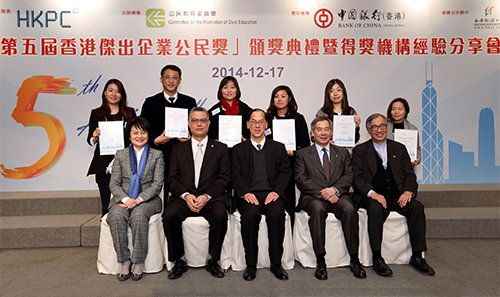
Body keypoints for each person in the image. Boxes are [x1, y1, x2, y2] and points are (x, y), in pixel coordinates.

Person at [352, 113, 435, 277]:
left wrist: (408, 191)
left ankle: (417, 256)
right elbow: (357, 178)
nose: (379, 130)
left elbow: (410, 175)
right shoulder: (360, 150)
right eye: (374, 127)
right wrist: (373, 193)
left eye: (382, 125)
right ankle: (377, 257)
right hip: (372, 196)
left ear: (387, 127)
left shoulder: (399, 148)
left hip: (397, 195)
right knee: (375, 209)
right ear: (369, 130)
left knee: (417, 207)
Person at [295, 117, 366, 280]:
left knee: (349, 209)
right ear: (312, 133)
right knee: (318, 210)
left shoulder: (342, 152)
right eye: (319, 129)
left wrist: (334, 190)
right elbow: (301, 178)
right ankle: (320, 260)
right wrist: (323, 192)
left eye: (327, 129)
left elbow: (349, 175)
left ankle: (354, 259)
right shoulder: (303, 154)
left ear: (332, 132)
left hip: (338, 195)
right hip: (312, 197)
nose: (323, 133)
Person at [164, 107, 231, 280]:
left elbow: (225, 178)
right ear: (189, 123)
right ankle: (178, 260)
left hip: (212, 197)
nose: (199, 124)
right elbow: (171, 179)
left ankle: (213, 259)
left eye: (203, 120)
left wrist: (206, 196)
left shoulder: (221, 148)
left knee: (220, 215)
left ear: (209, 123)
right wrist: (186, 195)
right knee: (169, 216)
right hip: (184, 197)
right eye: (195, 120)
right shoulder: (178, 149)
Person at [231, 109, 291, 281]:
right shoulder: (238, 149)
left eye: (261, 122)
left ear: (266, 125)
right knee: (250, 216)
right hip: (249, 195)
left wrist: (277, 191)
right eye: (253, 122)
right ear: (247, 125)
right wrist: (245, 193)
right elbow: (236, 175)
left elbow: (285, 173)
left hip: (272, 193)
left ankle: (276, 264)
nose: (257, 125)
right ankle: (251, 265)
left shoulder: (278, 147)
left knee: (277, 215)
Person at [107, 117, 164, 281]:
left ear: (148, 134)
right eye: (135, 132)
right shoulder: (120, 155)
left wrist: (138, 200)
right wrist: (126, 199)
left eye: (143, 132)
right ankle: (124, 261)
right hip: (123, 199)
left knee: (139, 216)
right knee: (116, 216)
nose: (139, 136)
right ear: (129, 135)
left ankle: (138, 261)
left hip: (148, 199)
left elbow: (157, 184)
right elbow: (114, 183)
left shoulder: (157, 155)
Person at [140, 64, 197, 194]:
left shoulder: (189, 102)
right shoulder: (150, 102)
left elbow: (195, 125)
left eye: (175, 77)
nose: (171, 81)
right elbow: (143, 129)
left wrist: (190, 136)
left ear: (179, 81)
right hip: (159, 153)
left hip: (183, 154)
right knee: (160, 190)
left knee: (184, 189)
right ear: (161, 79)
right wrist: (155, 140)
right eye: (167, 77)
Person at [86, 78, 136, 216]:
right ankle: (106, 230)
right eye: (110, 90)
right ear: (104, 93)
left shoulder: (130, 113)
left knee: (126, 201)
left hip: (125, 162)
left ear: (122, 95)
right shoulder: (96, 113)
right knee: (106, 203)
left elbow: (137, 135)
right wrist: (95, 136)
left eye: (118, 91)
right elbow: (89, 140)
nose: (114, 94)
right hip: (103, 162)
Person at [266, 85, 310, 225]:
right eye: (276, 96)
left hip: (291, 163)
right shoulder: (267, 118)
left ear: (289, 98)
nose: (279, 99)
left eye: (283, 96)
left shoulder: (298, 118)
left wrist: (293, 152)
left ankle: (289, 232)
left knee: (288, 199)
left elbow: (305, 145)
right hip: (270, 165)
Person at [316, 78, 361, 144]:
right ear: (328, 94)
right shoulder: (322, 113)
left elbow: (355, 139)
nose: (335, 94)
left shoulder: (350, 111)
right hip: (328, 151)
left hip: (347, 151)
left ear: (343, 92)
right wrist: (326, 142)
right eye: (331, 91)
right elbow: (315, 136)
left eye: (339, 90)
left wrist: (356, 127)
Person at [207, 76, 252, 141]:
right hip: (219, 149)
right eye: (225, 88)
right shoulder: (213, 112)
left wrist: (246, 140)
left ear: (237, 90)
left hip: (242, 148)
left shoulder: (246, 110)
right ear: (220, 90)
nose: (229, 91)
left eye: (232, 87)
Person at [386, 97, 421, 165]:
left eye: (400, 109)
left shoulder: (412, 129)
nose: (396, 112)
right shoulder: (383, 126)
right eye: (393, 109)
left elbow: (417, 149)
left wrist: (417, 159)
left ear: (406, 111)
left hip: (405, 167)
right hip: (386, 166)